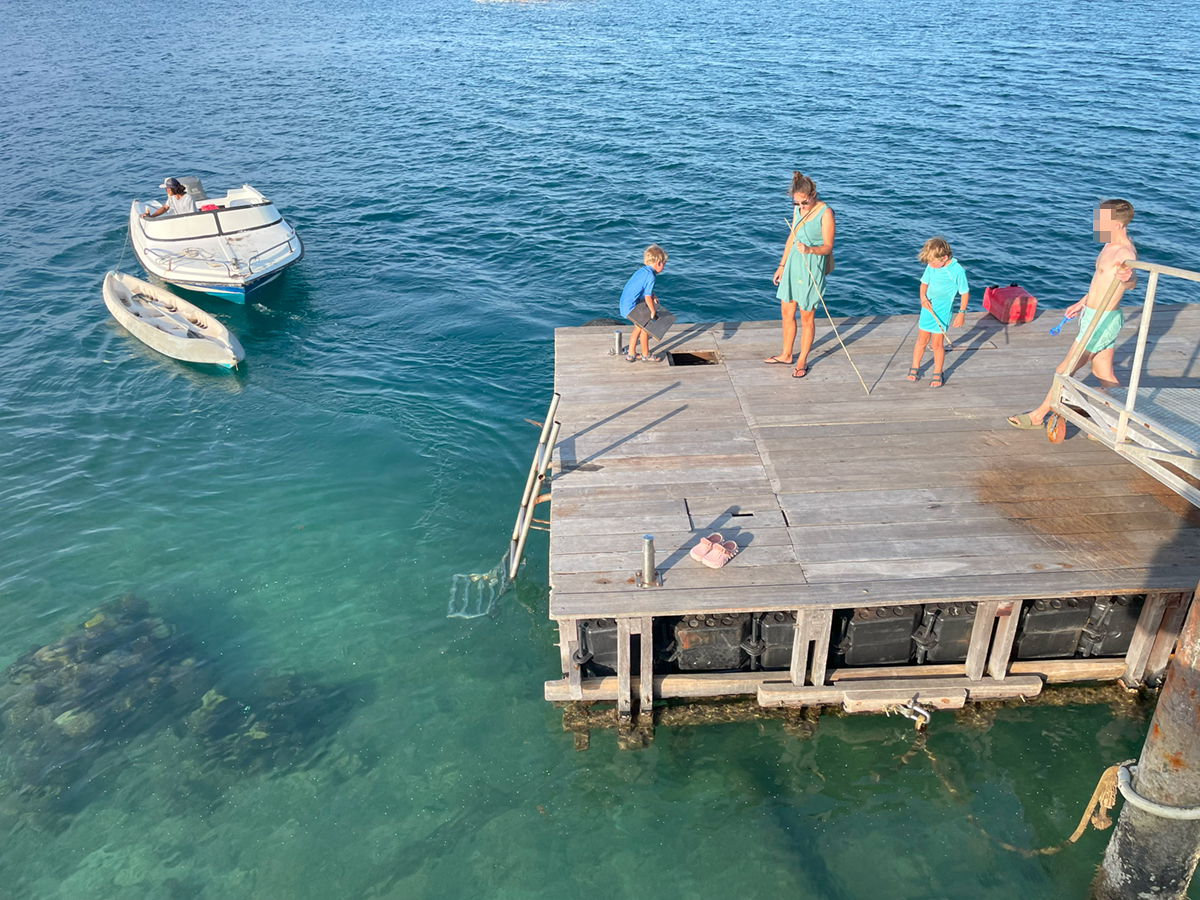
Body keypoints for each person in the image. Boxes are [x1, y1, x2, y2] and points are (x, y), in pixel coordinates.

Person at [1007, 200, 1138, 429]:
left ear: (1116, 224)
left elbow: (1131, 280)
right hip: (1093, 315)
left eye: (1101, 220)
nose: (1096, 224)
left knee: (1064, 369)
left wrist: (1128, 278)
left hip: (1102, 321)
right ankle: (1124, 422)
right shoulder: (1107, 246)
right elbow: (1100, 283)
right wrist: (1081, 302)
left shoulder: (1125, 252)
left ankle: (1038, 415)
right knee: (1103, 372)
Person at [765, 171, 836, 378]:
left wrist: (809, 250)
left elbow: (828, 247)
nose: (801, 207)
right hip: (793, 264)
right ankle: (786, 354)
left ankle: (803, 359)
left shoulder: (826, 213)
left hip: (811, 265)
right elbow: (791, 237)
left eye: (804, 203)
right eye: (796, 204)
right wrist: (781, 265)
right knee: (787, 312)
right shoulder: (798, 210)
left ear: (813, 194)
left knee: (806, 316)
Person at [908, 237, 968, 389]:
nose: (930, 265)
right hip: (927, 308)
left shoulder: (956, 271)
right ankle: (915, 367)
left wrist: (961, 313)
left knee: (936, 344)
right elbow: (924, 284)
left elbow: (964, 292)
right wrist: (922, 298)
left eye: (933, 262)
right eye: (928, 262)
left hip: (942, 312)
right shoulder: (931, 266)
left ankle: (937, 371)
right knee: (921, 340)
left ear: (944, 258)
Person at [619, 244, 668, 363]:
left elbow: (645, 289)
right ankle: (645, 355)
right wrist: (652, 311)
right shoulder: (651, 276)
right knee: (645, 327)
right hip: (632, 307)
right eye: (664, 264)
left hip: (625, 305)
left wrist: (653, 295)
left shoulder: (642, 271)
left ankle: (631, 354)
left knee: (638, 328)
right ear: (659, 263)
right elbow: (647, 296)